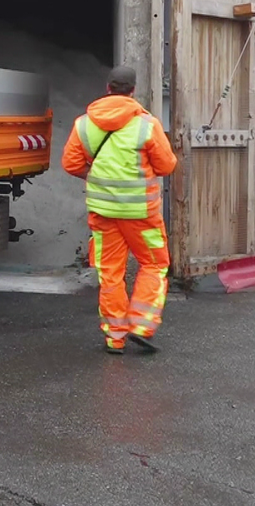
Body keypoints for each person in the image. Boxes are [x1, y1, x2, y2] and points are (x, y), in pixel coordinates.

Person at [61, 65, 177, 355]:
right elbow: (166, 166)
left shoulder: (84, 124)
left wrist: (96, 175)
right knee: (154, 265)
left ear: (108, 87)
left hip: (103, 214)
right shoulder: (146, 125)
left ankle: (115, 338)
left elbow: (71, 164)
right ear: (133, 90)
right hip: (142, 216)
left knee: (110, 273)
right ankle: (141, 325)